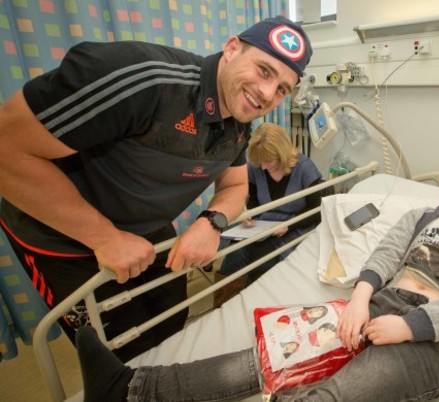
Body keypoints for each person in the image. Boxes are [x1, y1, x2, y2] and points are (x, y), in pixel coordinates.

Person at [0, 15, 312, 362]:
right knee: (120, 352)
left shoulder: (239, 124)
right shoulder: (143, 79)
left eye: (282, 88)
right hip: (61, 236)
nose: (268, 93)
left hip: (144, 228)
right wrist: (104, 238)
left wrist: (212, 222)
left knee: (171, 320)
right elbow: (6, 148)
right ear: (231, 48)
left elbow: (236, 184)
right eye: (264, 70)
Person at [75, 167, 439, 401]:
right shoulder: (421, 216)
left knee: (327, 397)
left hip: (435, 341)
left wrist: (410, 328)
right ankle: (128, 390)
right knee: (265, 361)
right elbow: (384, 255)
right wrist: (359, 298)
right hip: (375, 307)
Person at [214, 122, 325, 306]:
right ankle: (223, 307)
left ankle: (252, 306)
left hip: (294, 225)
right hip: (263, 224)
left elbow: (316, 212)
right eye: (260, 163)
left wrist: (288, 226)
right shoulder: (256, 167)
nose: (263, 167)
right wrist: (248, 212)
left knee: (261, 264)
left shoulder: (305, 169)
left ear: (281, 154)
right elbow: (255, 200)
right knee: (235, 254)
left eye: (268, 162)